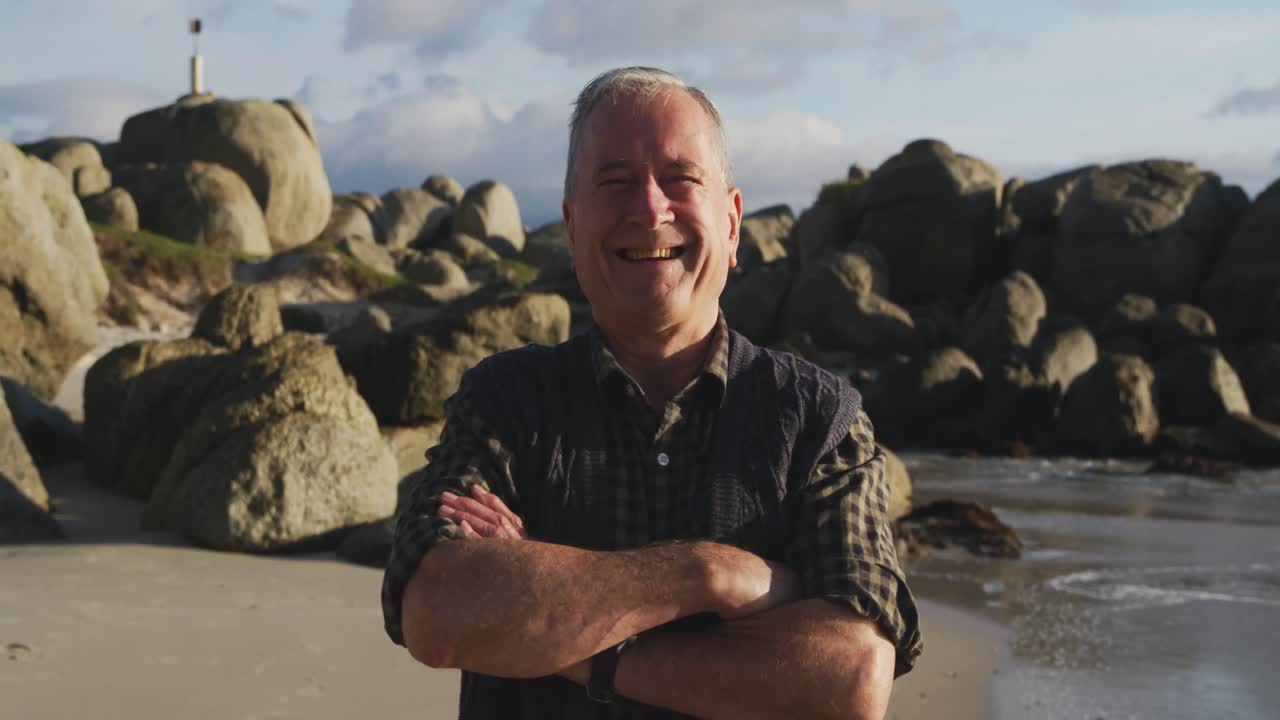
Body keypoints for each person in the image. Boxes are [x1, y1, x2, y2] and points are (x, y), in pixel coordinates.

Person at [381, 66, 922, 719]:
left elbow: (851, 681)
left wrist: (551, 632)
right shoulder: (504, 401)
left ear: (732, 223)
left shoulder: (819, 420)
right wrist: (709, 574)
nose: (649, 208)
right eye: (615, 182)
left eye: (680, 178)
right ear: (573, 227)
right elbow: (438, 611)